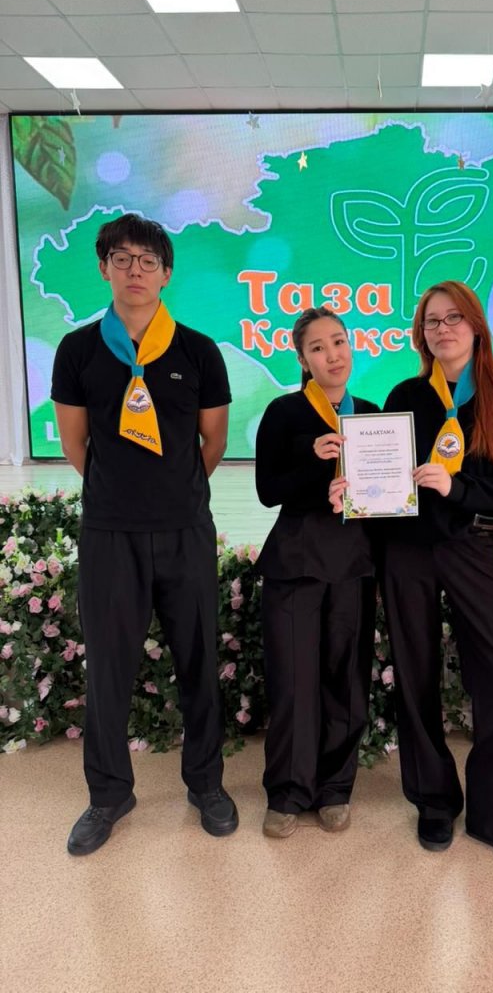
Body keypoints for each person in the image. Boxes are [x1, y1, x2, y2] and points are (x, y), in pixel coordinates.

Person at [334, 280, 493, 867]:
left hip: (470, 546)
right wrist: (356, 488)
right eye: (432, 321)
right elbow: (382, 475)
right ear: (420, 334)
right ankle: (433, 799)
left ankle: (491, 813)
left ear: (476, 326)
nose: (443, 329)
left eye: (453, 318)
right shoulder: (407, 396)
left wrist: (459, 488)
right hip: (407, 549)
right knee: (415, 675)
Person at [51, 213, 238, 855]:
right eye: (123, 259)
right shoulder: (77, 350)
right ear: (104, 267)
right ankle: (108, 794)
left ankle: (206, 784)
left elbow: (213, 442)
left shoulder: (198, 351)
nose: (136, 270)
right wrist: (123, 494)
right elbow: (75, 445)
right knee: (108, 669)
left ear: (166, 274)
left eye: (148, 260)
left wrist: (171, 493)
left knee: (198, 662)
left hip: (185, 531)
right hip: (110, 534)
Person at [255, 307, 379, 838]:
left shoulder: (370, 414)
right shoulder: (284, 412)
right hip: (297, 562)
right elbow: (268, 491)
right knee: (292, 680)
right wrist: (314, 464)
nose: (333, 355)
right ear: (303, 359)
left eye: (339, 342)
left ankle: (334, 788)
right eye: (318, 347)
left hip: (353, 563)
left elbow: (384, 495)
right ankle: (287, 792)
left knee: (346, 679)